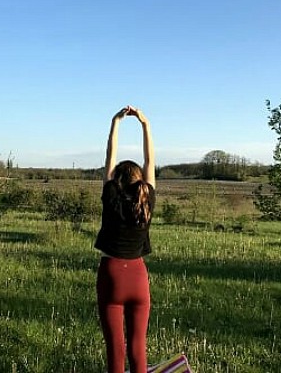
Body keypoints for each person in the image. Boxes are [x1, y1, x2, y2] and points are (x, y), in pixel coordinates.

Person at [94, 106, 156, 373]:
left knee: (115, 349)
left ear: (116, 180)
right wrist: (145, 124)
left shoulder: (111, 195)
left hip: (112, 276)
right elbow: (150, 162)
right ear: (140, 179)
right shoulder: (148, 198)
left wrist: (115, 122)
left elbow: (110, 155)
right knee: (137, 348)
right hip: (138, 277)